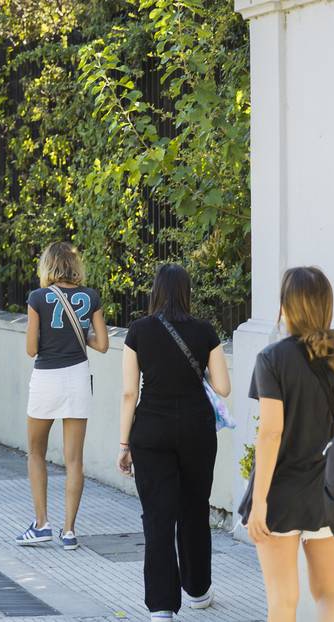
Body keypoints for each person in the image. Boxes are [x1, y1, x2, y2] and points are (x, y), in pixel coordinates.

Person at [238, 266, 334, 622]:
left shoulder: (273, 359)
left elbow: (271, 432)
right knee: (330, 593)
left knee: (282, 600)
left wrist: (258, 501)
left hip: (280, 492)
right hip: (327, 492)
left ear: (287, 307)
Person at [116, 264, 230, 619]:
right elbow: (224, 388)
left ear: (155, 292)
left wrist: (124, 444)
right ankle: (197, 591)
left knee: (158, 517)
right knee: (195, 508)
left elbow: (128, 393)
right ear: (186, 292)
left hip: (151, 433)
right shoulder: (205, 332)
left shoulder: (137, 332)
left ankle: (161, 607)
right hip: (197, 430)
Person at [17, 242, 109, 550]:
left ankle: (41, 523)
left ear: (48, 265)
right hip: (78, 378)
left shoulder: (37, 298)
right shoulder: (90, 296)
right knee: (74, 460)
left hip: (46, 378)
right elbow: (103, 344)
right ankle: (69, 531)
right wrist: (78, 332)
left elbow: (31, 349)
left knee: (36, 451)